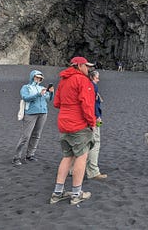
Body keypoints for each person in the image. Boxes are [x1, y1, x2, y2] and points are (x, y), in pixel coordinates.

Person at [49, 56, 96, 205]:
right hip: (78, 124)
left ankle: (57, 193)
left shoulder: (63, 80)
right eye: (87, 66)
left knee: (67, 157)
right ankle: (76, 194)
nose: (88, 69)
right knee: (81, 158)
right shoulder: (83, 81)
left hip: (63, 123)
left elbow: (56, 103)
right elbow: (87, 105)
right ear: (80, 66)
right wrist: (92, 123)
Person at [12, 70, 54, 166]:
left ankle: (30, 155)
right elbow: (25, 97)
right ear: (32, 77)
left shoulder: (42, 88)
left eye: (40, 78)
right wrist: (38, 94)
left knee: (36, 135)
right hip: (30, 113)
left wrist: (51, 93)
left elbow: (49, 99)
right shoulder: (26, 87)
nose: (38, 79)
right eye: (36, 77)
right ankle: (16, 157)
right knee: (26, 136)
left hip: (43, 113)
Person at [86, 70, 107, 180]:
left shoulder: (85, 85)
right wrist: (97, 116)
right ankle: (93, 171)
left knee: (82, 143)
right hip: (93, 117)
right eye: (97, 78)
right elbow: (92, 103)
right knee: (95, 142)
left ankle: (73, 169)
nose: (98, 80)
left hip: (83, 118)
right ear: (93, 77)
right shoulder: (92, 86)